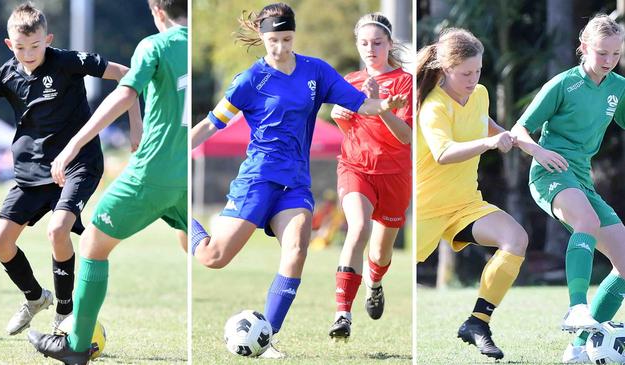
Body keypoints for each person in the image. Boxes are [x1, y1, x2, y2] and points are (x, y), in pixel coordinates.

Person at [189, 2, 407, 358]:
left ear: (294, 35)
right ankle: (185, 219)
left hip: (295, 184)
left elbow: (359, 104)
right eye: (273, 40)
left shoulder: (315, 72)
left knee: (296, 250)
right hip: (257, 179)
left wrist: (382, 106)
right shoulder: (249, 81)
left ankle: (267, 335)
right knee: (213, 257)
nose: (280, 47)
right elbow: (212, 124)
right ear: (262, 37)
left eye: (287, 38)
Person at [27, 0, 187, 363]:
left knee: (95, 242)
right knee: (199, 247)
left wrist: (73, 144)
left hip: (153, 171)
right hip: (185, 174)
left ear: (156, 10)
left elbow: (125, 92)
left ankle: (76, 345)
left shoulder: (155, 45)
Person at [0, 2, 140, 336]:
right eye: (20, 47)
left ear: (47, 39)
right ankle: (36, 298)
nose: (28, 53)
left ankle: (64, 313)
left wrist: (136, 124)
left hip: (78, 163)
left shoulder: (67, 62)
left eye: (35, 45)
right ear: (10, 45)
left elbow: (126, 74)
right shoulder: (8, 74)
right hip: (31, 172)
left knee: (58, 229)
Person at [511, 14, 625, 364]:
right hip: (550, 174)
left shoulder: (617, 87)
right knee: (586, 223)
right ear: (584, 48)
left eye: (615, 54)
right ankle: (576, 307)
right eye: (602, 53)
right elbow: (519, 131)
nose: (608, 61)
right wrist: (541, 152)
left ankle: (579, 347)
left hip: (582, 179)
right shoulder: (563, 84)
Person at [416, 28, 528, 360]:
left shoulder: (479, 93)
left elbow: (483, 120)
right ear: (446, 69)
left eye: (478, 71)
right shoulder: (433, 106)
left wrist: (511, 137)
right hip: (424, 208)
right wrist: (491, 143)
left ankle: (477, 323)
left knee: (515, 239)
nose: (473, 78)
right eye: (466, 73)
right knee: (389, 273)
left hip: (465, 204)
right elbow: (443, 152)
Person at [327, 12, 412, 341]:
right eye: (364, 43)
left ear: (389, 44)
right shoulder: (349, 82)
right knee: (358, 227)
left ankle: (374, 284)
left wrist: (382, 105)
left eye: (377, 42)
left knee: (379, 254)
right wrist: (338, 116)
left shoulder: (405, 81)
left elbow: (404, 136)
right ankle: (342, 314)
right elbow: (350, 127)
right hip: (355, 167)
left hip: (393, 175)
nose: (371, 48)